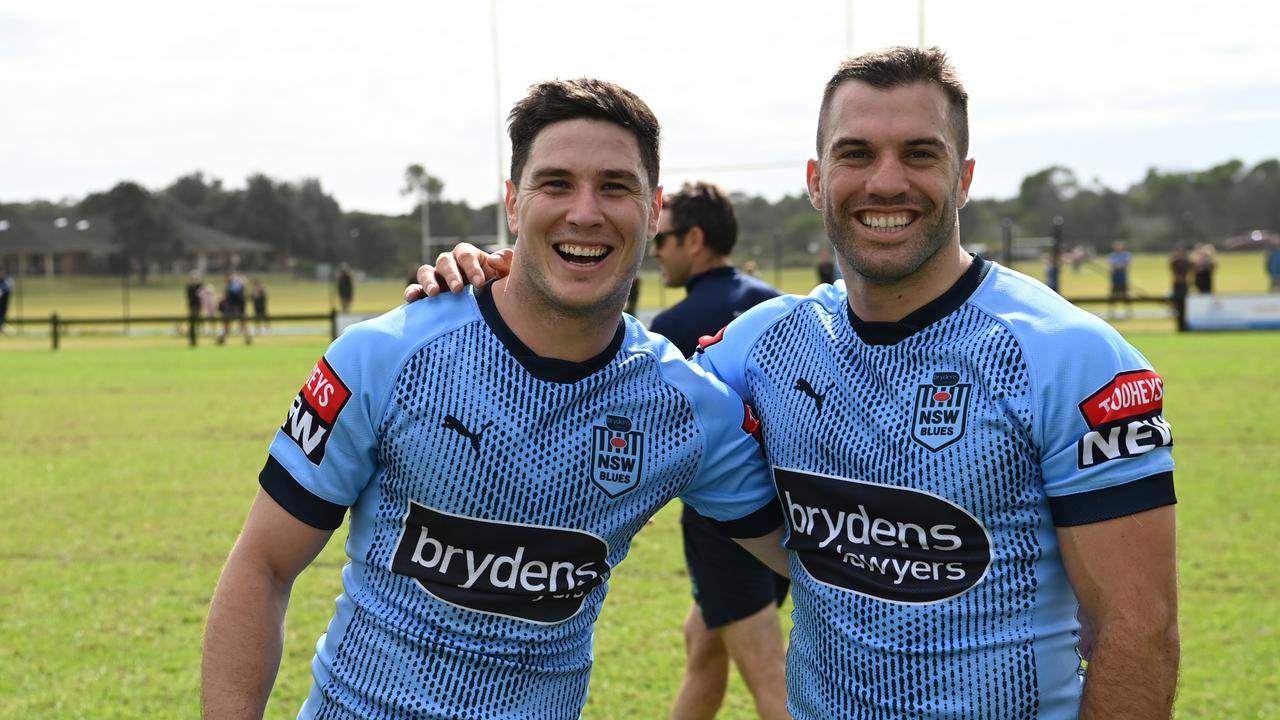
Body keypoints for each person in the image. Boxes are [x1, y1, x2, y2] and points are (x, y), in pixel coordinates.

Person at [414, 47, 1179, 720]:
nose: (886, 181)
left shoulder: (1073, 359)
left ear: (964, 176)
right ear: (817, 180)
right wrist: (506, 284)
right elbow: (610, 389)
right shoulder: (761, 348)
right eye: (855, 154)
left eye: (919, 153)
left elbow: (1139, 631)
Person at [202, 78, 785, 720]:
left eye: (615, 186)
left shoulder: (685, 404)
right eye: (556, 183)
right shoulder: (383, 355)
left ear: (654, 211)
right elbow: (262, 566)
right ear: (513, 202)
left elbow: (832, 565)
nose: (585, 212)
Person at [649, 181, 789, 720]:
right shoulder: (776, 307)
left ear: (694, 240)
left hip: (723, 526)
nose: (655, 252)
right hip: (788, 514)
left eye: (662, 240)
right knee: (702, 642)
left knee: (772, 683)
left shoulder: (671, 330)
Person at [218, 271, 250, 345]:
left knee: (238, 324)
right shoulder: (232, 284)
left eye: (226, 277)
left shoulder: (234, 284)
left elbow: (233, 296)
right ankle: (222, 339)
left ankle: (247, 338)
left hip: (235, 307)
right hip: (235, 307)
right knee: (231, 324)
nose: (225, 279)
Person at [1170, 245, 1192, 331]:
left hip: (1184, 285)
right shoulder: (1175, 262)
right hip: (1177, 285)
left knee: (1184, 307)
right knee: (1177, 306)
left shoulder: (1187, 262)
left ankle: (1183, 326)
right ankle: (1179, 326)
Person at [1108, 241, 1132, 318]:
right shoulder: (1112, 256)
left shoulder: (1126, 255)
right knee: (1113, 295)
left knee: (1125, 295)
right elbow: (1112, 266)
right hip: (1115, 278)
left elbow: (1126, 266)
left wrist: (1118, 266)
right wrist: (1119, 266)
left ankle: (1128, 312)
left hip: (1123, 278)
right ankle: (1112, 312)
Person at [0, 268, 12, 333]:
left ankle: (2, 327)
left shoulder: (6, 282)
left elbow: (8, 289)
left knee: (2, 314)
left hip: (3, 303)